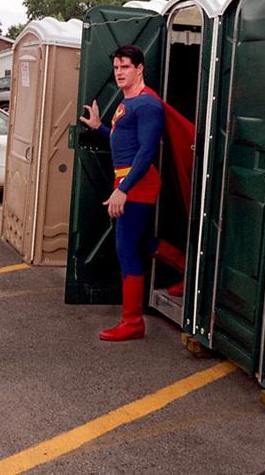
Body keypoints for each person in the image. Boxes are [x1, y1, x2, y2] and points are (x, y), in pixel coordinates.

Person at [80, 44, 168, 341]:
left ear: (139, 68)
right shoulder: (127, 101)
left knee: (125, 248)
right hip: (128, 181)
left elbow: (146, 152)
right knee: (141, 242)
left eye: (125, 67)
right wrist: (99, 127)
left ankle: (133, 322)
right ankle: (187, 270)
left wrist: (123, 190)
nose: (119, 72)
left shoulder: (147, 104)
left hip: (137, 183)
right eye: (116, 67)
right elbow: (124, 140)